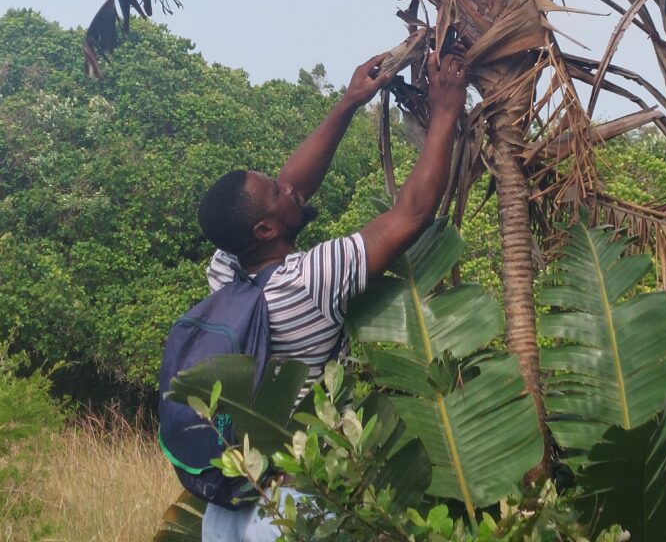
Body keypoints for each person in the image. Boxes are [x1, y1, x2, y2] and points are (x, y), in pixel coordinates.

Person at [196, 47, 467, 542]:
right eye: (276, 192)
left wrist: (350, 101)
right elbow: (411, 212)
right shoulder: (310, 280)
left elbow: (293, 189)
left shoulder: (225, 270)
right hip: (292, 505)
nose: (289, 186)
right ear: (263, 228)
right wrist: (447, 107)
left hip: (231, 503)